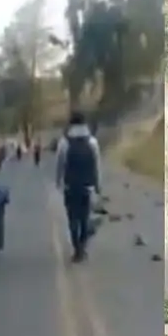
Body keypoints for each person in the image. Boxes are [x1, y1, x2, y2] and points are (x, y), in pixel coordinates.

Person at [55, 111, 101, 263]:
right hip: (87, 186)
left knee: (72, 218)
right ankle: (82, 246)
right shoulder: (92, 142)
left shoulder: (64, 142)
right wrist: (98, 185)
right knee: (84, 217)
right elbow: (96, 166)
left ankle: (77, 248)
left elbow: (60, 164)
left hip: (70, 186)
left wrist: (58, 182)